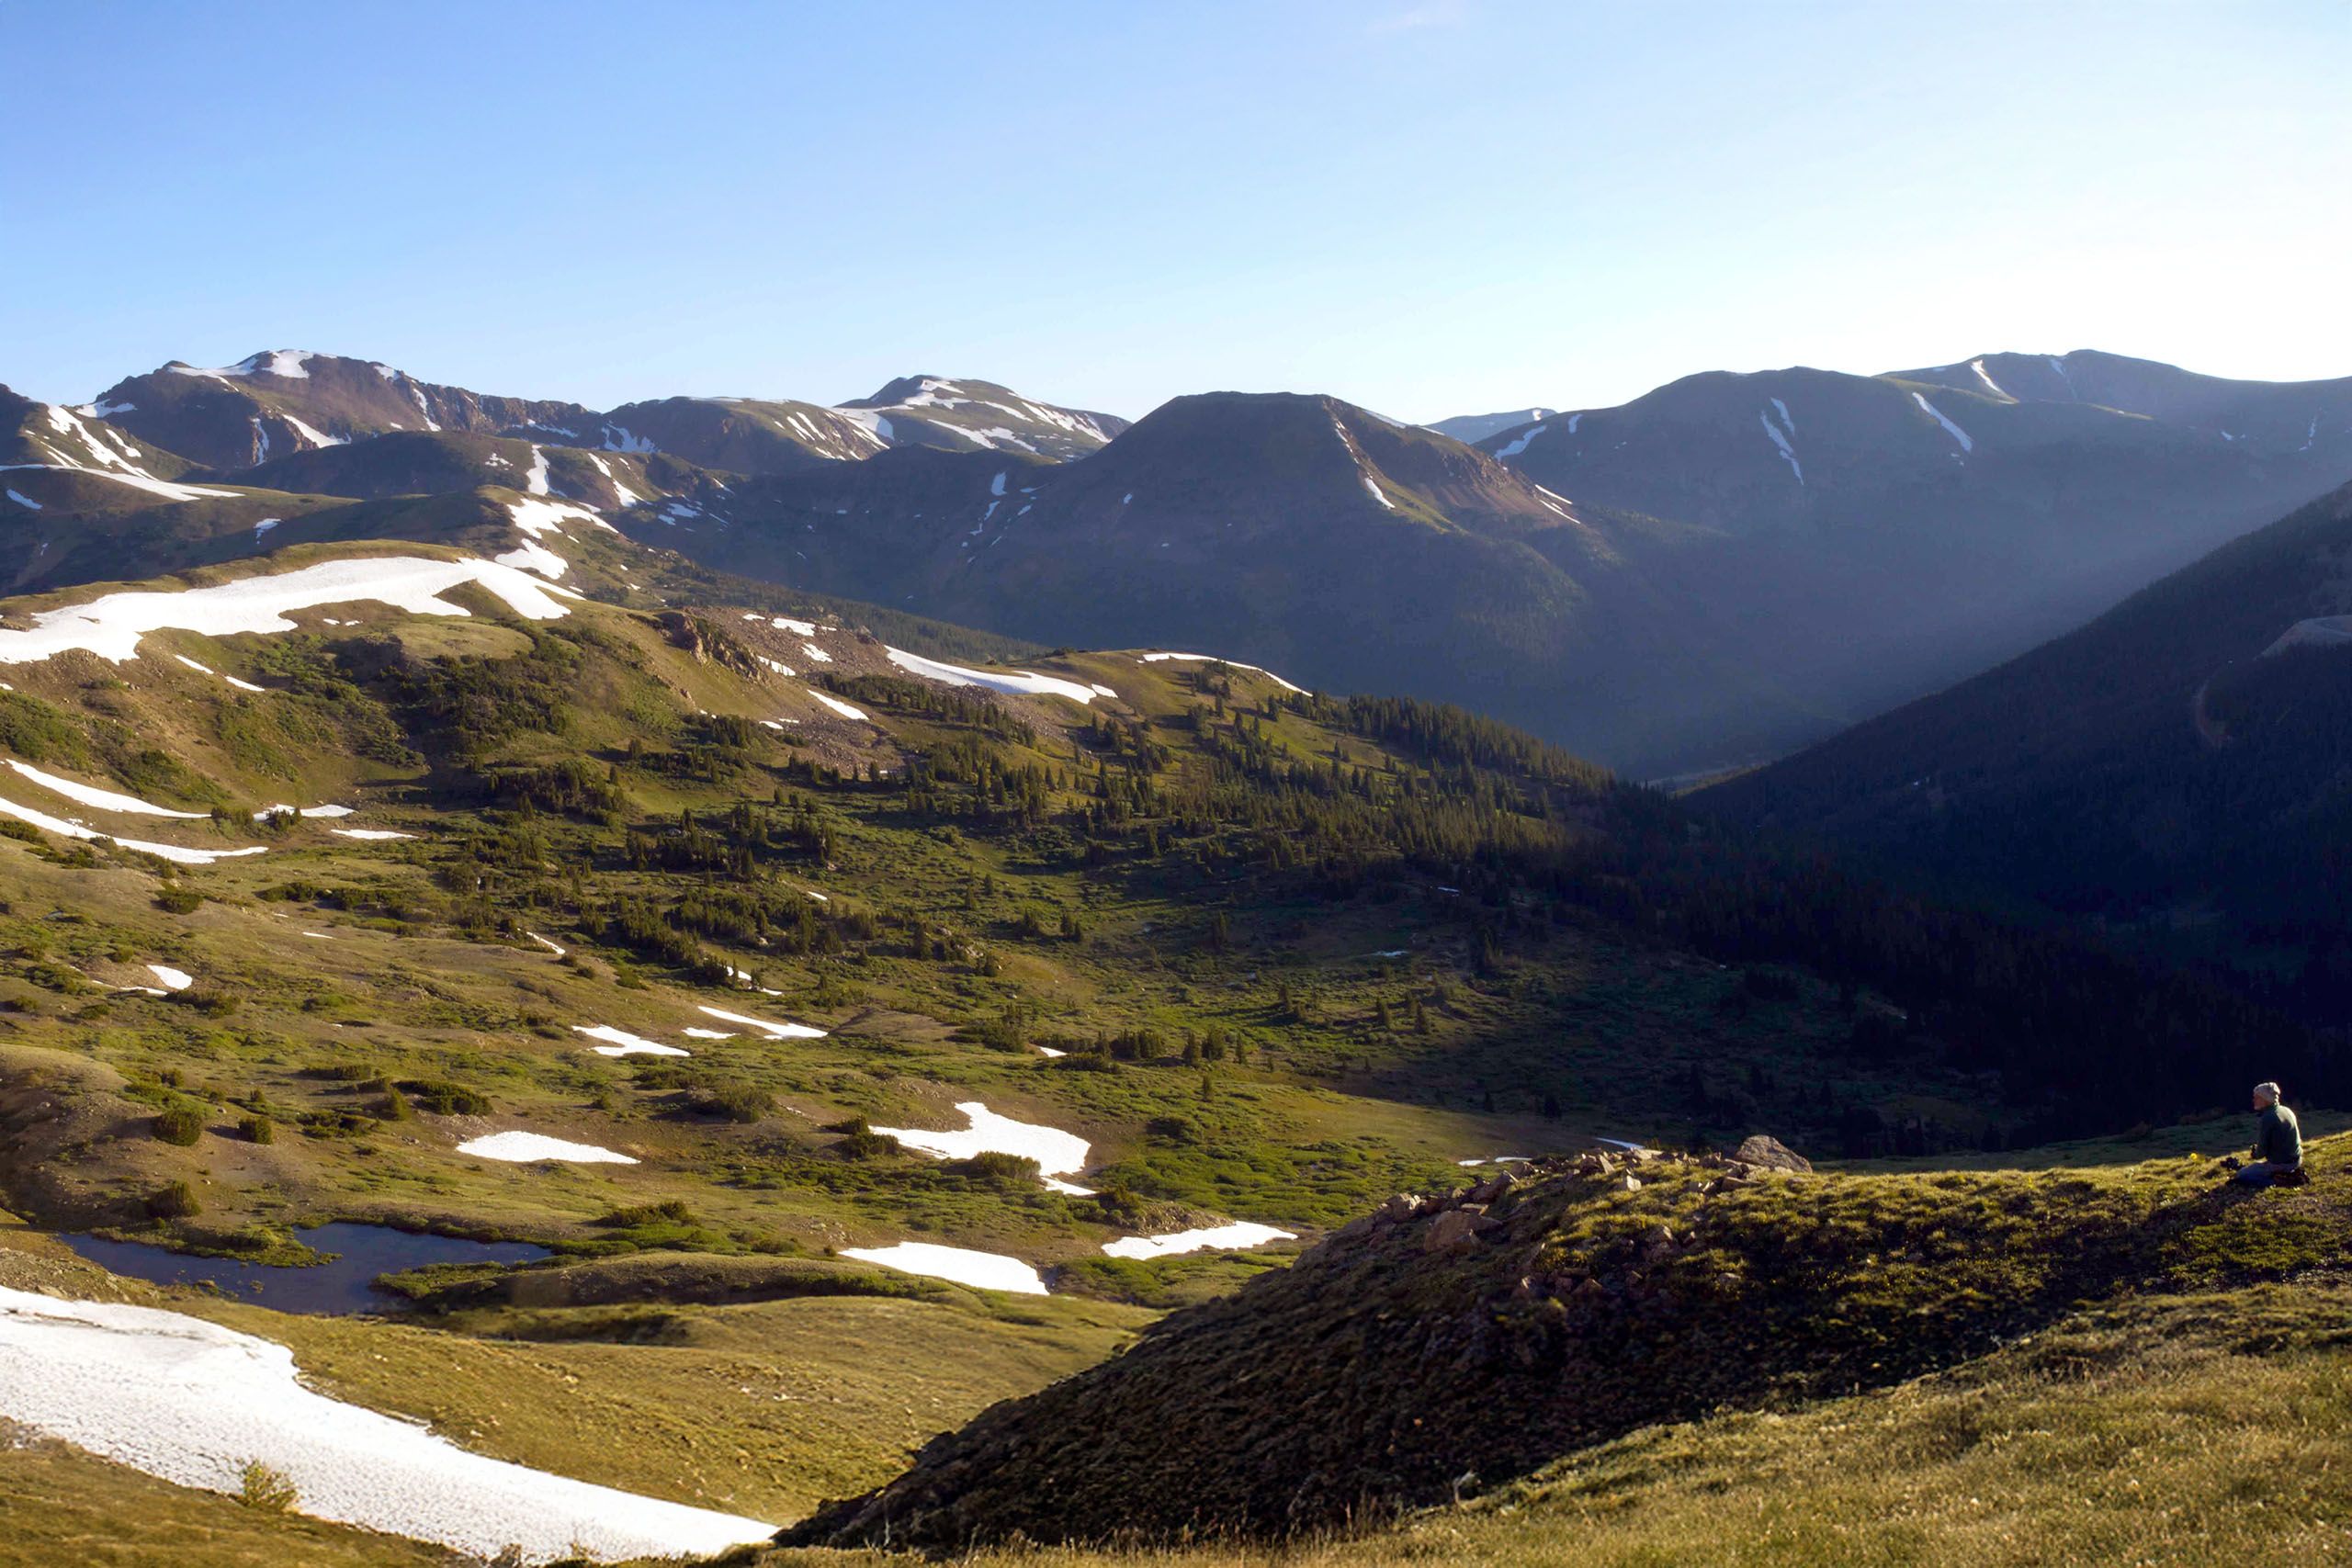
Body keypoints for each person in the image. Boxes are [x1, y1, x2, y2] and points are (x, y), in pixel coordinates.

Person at [2226, 1082, 2303, 1187]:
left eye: (2257, 1097)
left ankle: (2278, 1182)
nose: (2254, 1100)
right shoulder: (2286, 1110)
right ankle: (2287, 1175)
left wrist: (2255, 1153)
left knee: (2242, 1175)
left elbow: (2260, 1154)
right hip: (2297, 1160)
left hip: (2281, 1164)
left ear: (2265, 1099)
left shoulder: (2268, 1118)